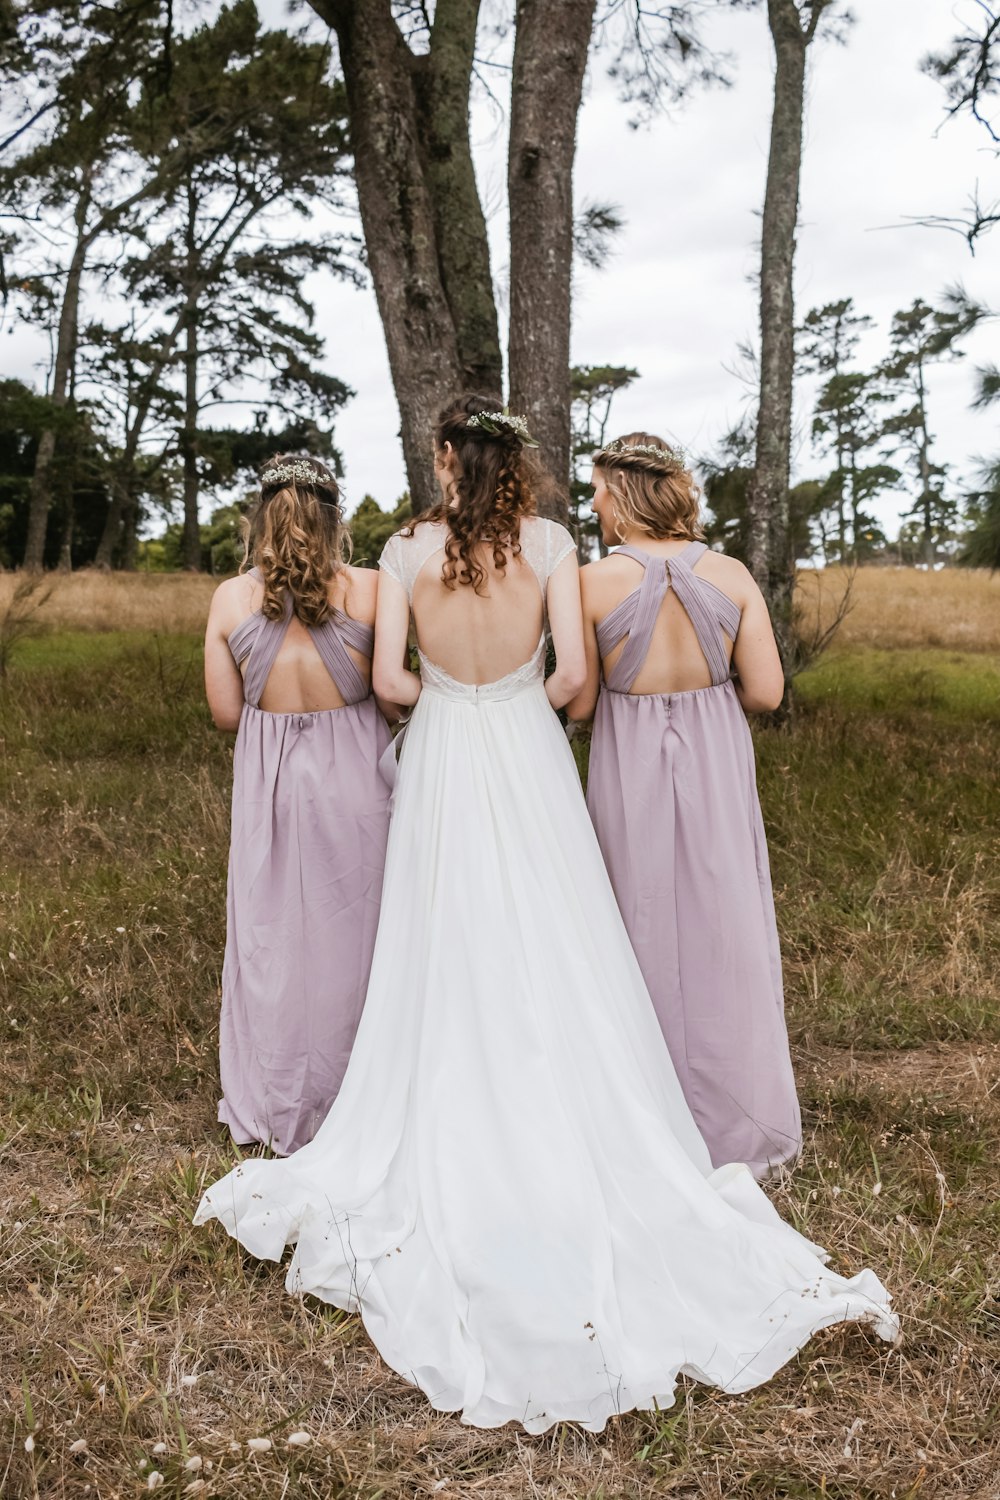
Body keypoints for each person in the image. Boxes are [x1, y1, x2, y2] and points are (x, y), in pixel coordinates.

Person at [196, 399, 895, 1435]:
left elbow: (387, 679)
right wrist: (528, 696)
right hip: (524, 745)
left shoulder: (405, 549)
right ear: (517, 464)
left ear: (443, 459)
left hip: (443, 750)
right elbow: (576, 680)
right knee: (561, 931)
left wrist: (438, 694)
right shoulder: (555, 543)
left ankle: (446, 1086)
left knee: (439, 934)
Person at [568, 433, 802, 1179]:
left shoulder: (589, 583)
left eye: (600, 489)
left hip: (629, 756)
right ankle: (736, 1121)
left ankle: (647, 1119)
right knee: (723, 918)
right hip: (713, 756)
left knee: (634, 921)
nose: (595, 503)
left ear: (626, 495)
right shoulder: (731, 575)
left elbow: (578, 700)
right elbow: (765, 692)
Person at [203, 455, 393, 1156]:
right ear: (334, 518)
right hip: (357, 779)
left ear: (262, 519)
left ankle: (281, 1090)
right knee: (360, 933)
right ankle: (358, 1090)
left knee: (272, 934)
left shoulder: (229, 600)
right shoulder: (372, 590)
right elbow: (396, 689)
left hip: (273, 783)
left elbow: (226, 712)